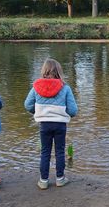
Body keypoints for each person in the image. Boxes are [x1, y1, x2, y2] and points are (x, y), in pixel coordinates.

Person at [24, 58, 78, 190]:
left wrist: (37, 112)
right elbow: (73, 110)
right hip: (60, 125)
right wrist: (67, 114)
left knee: (45, 152)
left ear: (44, 70)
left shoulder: (36, 87)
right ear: (59, 71)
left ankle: (43, 181)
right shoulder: (65, 88)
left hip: (44, 124)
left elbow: (27, 105)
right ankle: (60, 179)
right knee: (60, 151)